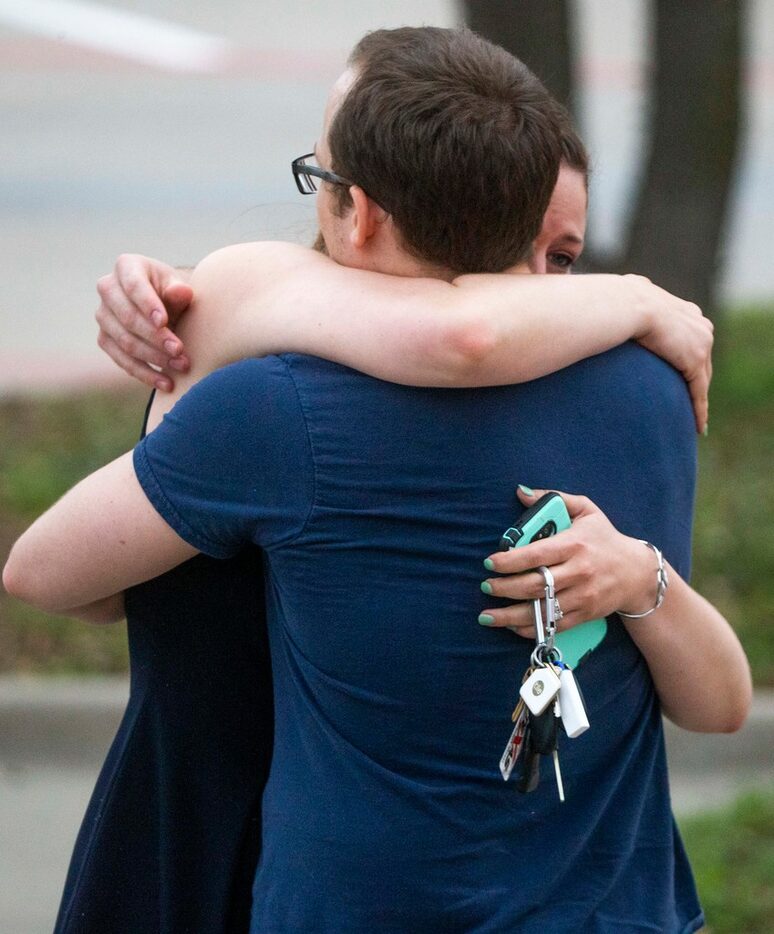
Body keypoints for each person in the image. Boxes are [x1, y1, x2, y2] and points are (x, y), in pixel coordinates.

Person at [4, 26, 749, 932]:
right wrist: (640, 300)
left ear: (358, 214)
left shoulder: (272, 409)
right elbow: (714, 703)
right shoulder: (652, 387)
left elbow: (46, 575)